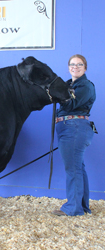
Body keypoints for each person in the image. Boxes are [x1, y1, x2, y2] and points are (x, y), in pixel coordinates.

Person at [52, 54, 96, 216]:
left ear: (85, 68)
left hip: (75, 126)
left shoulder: (85, 86)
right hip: (68, 126)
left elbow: (70, 104)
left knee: (73, 168)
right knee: (78, 167)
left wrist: (57, 93)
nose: (75, 67)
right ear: (68, 66)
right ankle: (82, 206)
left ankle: (73, 208)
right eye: (72, 64)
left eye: (79, 64)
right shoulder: (69, 84)